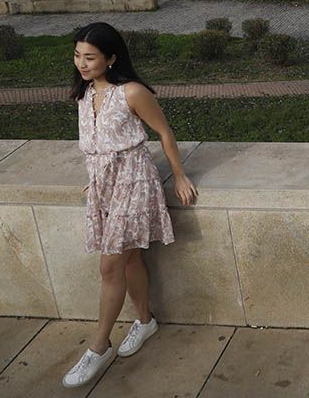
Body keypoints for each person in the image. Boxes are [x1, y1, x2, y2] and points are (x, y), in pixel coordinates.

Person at [62, 22, 198, 389]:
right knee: (131, 258)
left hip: (135, 182)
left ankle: (98, 346)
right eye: (77, 55)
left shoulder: (133, 92)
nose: (82, 63)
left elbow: (163, 132)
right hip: (104, 186)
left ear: (111, 57)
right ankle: (145, 321)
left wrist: (179, 176)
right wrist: (96, 180)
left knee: (110, 266)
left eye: (90, 57)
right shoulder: (84, 93)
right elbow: (97, 142)